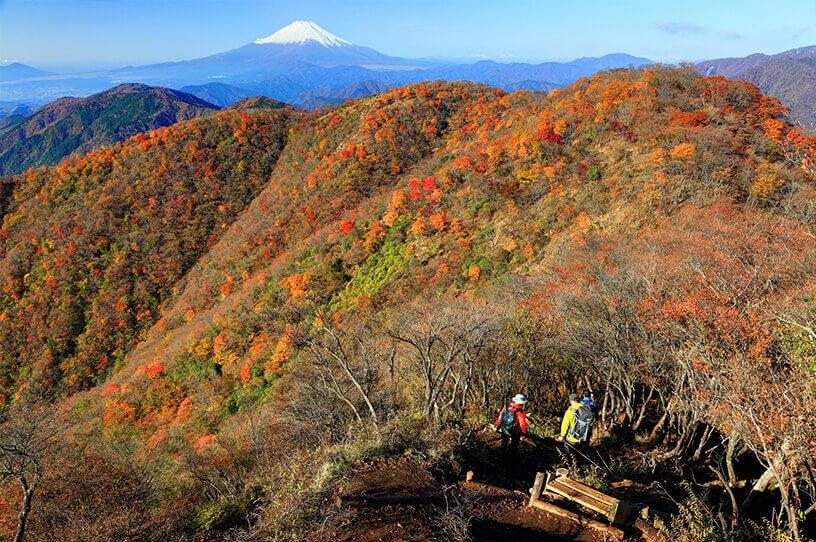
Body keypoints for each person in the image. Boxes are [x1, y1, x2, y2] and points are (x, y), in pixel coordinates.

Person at [557, 393, 594, 463]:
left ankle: (570, 467)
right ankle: (579, 467)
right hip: (584, 438)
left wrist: (562, 436)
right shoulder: (586, 408)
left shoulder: (570, 411)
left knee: (567, 451)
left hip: (572, 438)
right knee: (578, 454)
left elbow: (565, 425)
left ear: (571, 401)